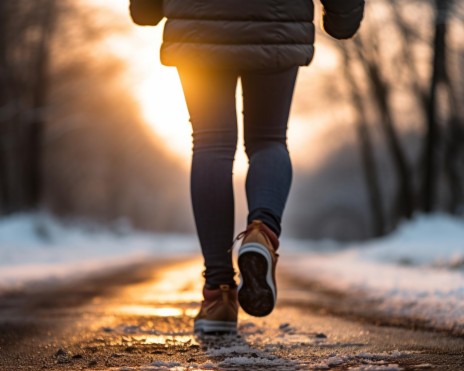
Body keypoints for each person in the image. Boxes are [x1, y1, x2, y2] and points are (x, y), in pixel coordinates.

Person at [129, 0, 365, 334]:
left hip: (198, 18)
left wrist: (147, 7)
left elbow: (144, 11)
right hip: (278, 18)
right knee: (268, 139)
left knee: (211, 143)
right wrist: (343, 14)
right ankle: (261, 232)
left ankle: (217, 296)